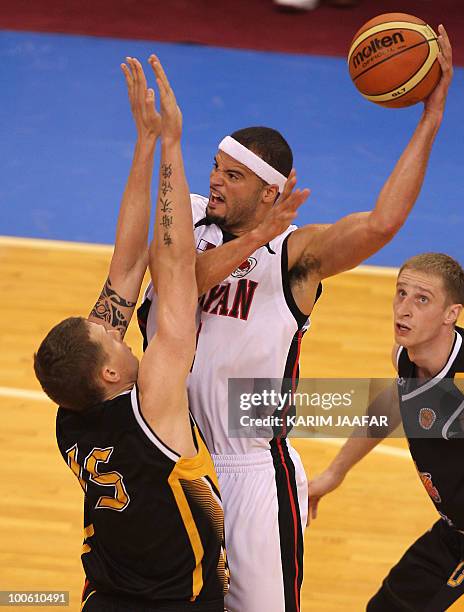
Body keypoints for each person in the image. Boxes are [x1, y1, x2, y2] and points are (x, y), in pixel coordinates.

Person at [139, 27, 453, 612]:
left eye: (234, 176)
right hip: (176, 463)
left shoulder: (294, 255)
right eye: (215, 167)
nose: (214, 182)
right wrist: (248, 235)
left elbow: (382, 223)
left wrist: (430, 116)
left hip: (253, 471)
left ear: (270, 192)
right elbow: (180, 285)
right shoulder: (190, 227)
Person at [33, 55, 231, 611]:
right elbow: (169, 270)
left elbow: (125, 269)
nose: (116, 330)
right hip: (176, 600)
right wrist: (171, 145)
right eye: (112, 337)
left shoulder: (70, 416)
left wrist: (143, 141)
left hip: (104, 592)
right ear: (111, 372)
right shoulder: (155, 408)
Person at [308, 252, 464, 610]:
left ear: (452, 313)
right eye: (401, 293)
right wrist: (334, 473)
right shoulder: (406, 355)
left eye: (422, 299)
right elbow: (396, 404)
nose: (404, 309)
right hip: (455, 531)